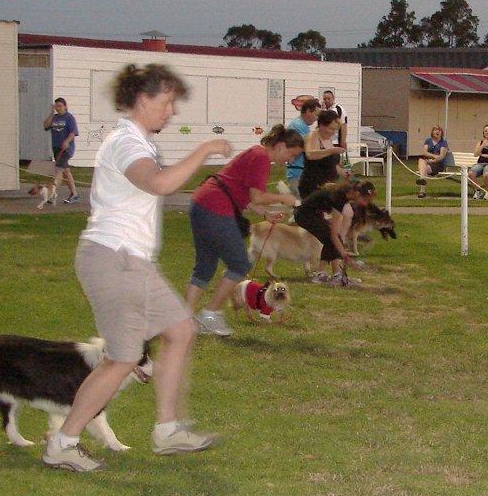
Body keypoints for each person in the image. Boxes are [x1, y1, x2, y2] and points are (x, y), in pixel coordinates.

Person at [43, 64, 232, 473]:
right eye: (167, 102)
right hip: (113, 260)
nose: (171, 111)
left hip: (132, 262)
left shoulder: (138, 142)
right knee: (122, 359)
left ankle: (168, 430)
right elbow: (159, 184)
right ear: (143, 99)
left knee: (180, 330)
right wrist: (203, 150)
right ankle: (63, 442)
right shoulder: (126, 142)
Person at [186, 124, 304, 337]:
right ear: (280, 146)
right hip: (215, 207)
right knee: (239, 264)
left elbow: (240, 191)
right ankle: (210, 315)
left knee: (204, 266)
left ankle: (183, 320)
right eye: (292, 154)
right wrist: (283, 198)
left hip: (202, 203)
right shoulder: (261, 158)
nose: (291, 160)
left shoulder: (255, 153)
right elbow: (257, 196)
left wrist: (265, 214)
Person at [294, 181, 375, 287]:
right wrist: (345, 256)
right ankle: (327, 274)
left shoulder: (344, 195)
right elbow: (333, 234)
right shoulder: (339, 199)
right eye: (364, 200)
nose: (365, 204)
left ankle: (330, 273)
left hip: (313, 214)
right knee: (331, 239)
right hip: (304, 215)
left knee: (332, 240)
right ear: (357, 193)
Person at [298, 109, 348, 199]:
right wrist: (332, 150)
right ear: (321, 125)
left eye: (335, 130)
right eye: (330, 129)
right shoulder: (312, 136)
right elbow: (310, 155)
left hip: (328, 184)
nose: (333, 132)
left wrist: (343, 172)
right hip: (313, 184)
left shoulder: (328, 139)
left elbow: (331, 163)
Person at [43, 97, 80, 202]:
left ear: (65, 106)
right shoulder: (54, 118)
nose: (58, 108)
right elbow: (46, 126)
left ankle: (51, 193)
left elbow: (73, 132)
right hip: (56, 147)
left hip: (66, 149)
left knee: (59, 170)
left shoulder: (69, 118)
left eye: (60, 106)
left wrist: (67, 141)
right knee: (65, 171)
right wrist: (51, 113)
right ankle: (74, 194)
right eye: (56, 106)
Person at [285, 98, 320, 197]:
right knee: (302, 202)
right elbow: (308, 148)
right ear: (308, 111)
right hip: (297, 172)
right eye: (316, 115)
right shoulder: (298, 125)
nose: (316, 119)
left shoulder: (302, 126)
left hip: (300, 171)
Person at [415, 125, 449, 199]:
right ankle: (422, 179)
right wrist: (434, 156)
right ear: (432, 132)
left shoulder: (443, 142)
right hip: (427, 161)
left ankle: (422, 191)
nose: (437, 132)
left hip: (437, 164)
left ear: (441, 133)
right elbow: (424, 152)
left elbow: (441, 156)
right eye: (435, 130)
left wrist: (433, 160)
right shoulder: (428, 141)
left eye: (439, 130)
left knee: (425, 169)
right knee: (421, 160)